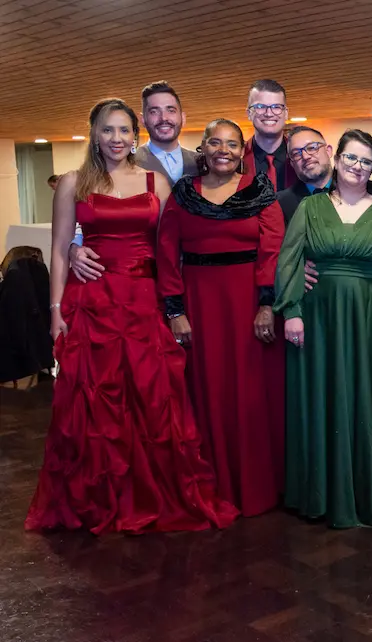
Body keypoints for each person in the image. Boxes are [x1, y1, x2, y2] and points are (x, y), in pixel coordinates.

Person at [25, 98, 237, 534]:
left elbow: (174, 244)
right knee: (94, 403)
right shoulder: (73, 183)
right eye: (108, 130)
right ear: (94, 134)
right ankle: (98, 497)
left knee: (152, 397)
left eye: (124, 130)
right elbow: (59, 250)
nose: (116, 138)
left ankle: (149, 495)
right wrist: (56, 308)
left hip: (143, 301)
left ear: (134, 135)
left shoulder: (155, 182)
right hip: (93, 302)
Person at [156, 118, 285, 518]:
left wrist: (267, 304)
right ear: (204, 149)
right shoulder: (182, 194)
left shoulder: (260, 191)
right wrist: (175, 311)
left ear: (241, 150)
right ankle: (216, 485)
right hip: (200, 305)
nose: (223, 150)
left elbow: (273, 250)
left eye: (231, 143)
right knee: (208, 391)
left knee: (252, 394)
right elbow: (166, 254)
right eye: (215, 142)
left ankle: (259, 489)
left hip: (250, 306)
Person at [275, 129, 372, 528]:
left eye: (366, 161)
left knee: (364, 398)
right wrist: (291, 310)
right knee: (321, 396)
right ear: (337, 158)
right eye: (351, 158)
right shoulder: (311, 207)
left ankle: (364, 494)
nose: (357, 167)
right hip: (318, 318)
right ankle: (320, 494)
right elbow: (289, 259)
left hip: (368, 315)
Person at [68, 80, 199, 283]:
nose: (164, 118)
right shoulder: (120, 161)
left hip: (197, 270)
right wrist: (75, 244)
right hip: (148, 276)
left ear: (182, 117)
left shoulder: (203, 163)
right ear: (143, 120)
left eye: (170, 110)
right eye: (154, 111)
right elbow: (96, 210)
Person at [278, 125, 372, 225]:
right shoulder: (282, 203)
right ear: (292, 163)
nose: (305, 156)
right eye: (296, 154)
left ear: (329, 151)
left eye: (312, 148)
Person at [241, 79, 297, 190]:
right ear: (249, 113)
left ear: (286, 113)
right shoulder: (237, 159)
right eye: (260, 107)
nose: (269, 114)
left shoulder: (301, 158)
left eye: (276, 107)